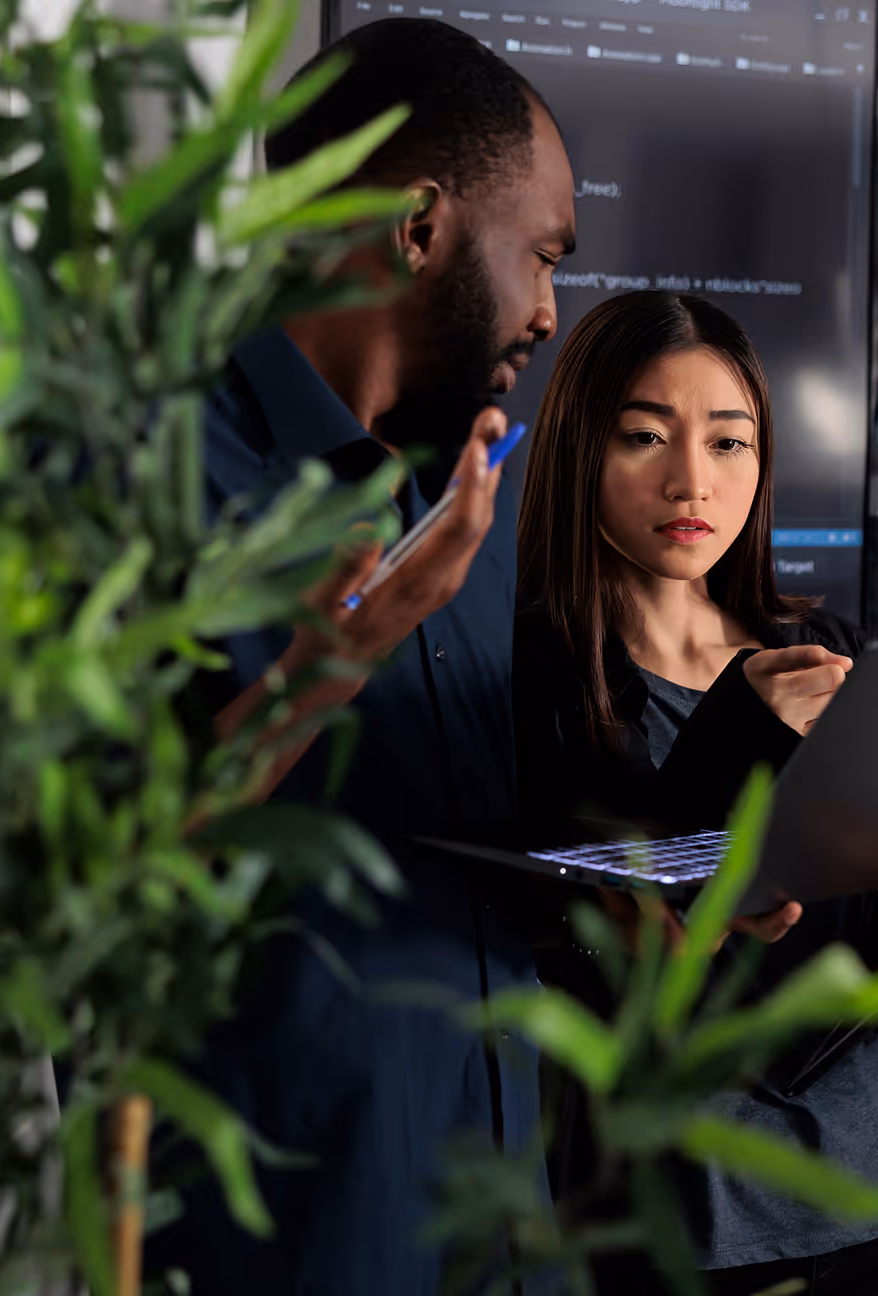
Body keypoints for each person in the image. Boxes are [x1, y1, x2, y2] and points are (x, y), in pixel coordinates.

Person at [146, 18, 576, 1295]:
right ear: (417, 226)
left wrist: (642, 888)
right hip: (294, 1250)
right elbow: (110, 882)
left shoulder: (477, 496)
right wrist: (338, 656)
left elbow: (474, 860)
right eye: (542, 256)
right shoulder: (160, 476)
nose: (553, 311)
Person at [513, 291, 878, 1296]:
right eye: (644, 436)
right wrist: (739, 732)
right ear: (580, 450)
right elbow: (610, 914)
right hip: (682, 1226)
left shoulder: (824, 652)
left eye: (730, 442)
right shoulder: (537, 676)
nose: (691, 480)